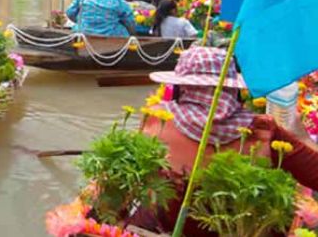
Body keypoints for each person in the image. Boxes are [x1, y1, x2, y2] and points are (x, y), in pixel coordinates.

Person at [133, 47, 318, 236]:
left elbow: (126, 183)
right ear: (233, 90)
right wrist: (302, 136)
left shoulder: (156, 121)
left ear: (182, 87)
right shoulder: (264, 131)